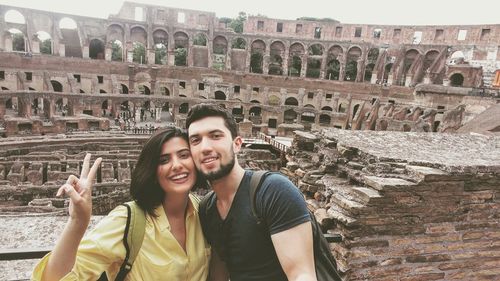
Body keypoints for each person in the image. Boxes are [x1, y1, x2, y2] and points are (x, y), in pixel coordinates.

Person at [32, 127, 211, 281]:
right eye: (164, 160)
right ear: (152, 170)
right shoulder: (128, 221)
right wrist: (77, 222)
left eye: (184, 155)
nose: (177, 165)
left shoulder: (205, 211)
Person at [186, 104, 317, 281]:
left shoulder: (273, 191)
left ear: (237, 144)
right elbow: (220, 273)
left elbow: (302, 275)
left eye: (215, 136)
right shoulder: (207, 208)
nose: (205, 147)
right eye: (196, 140)